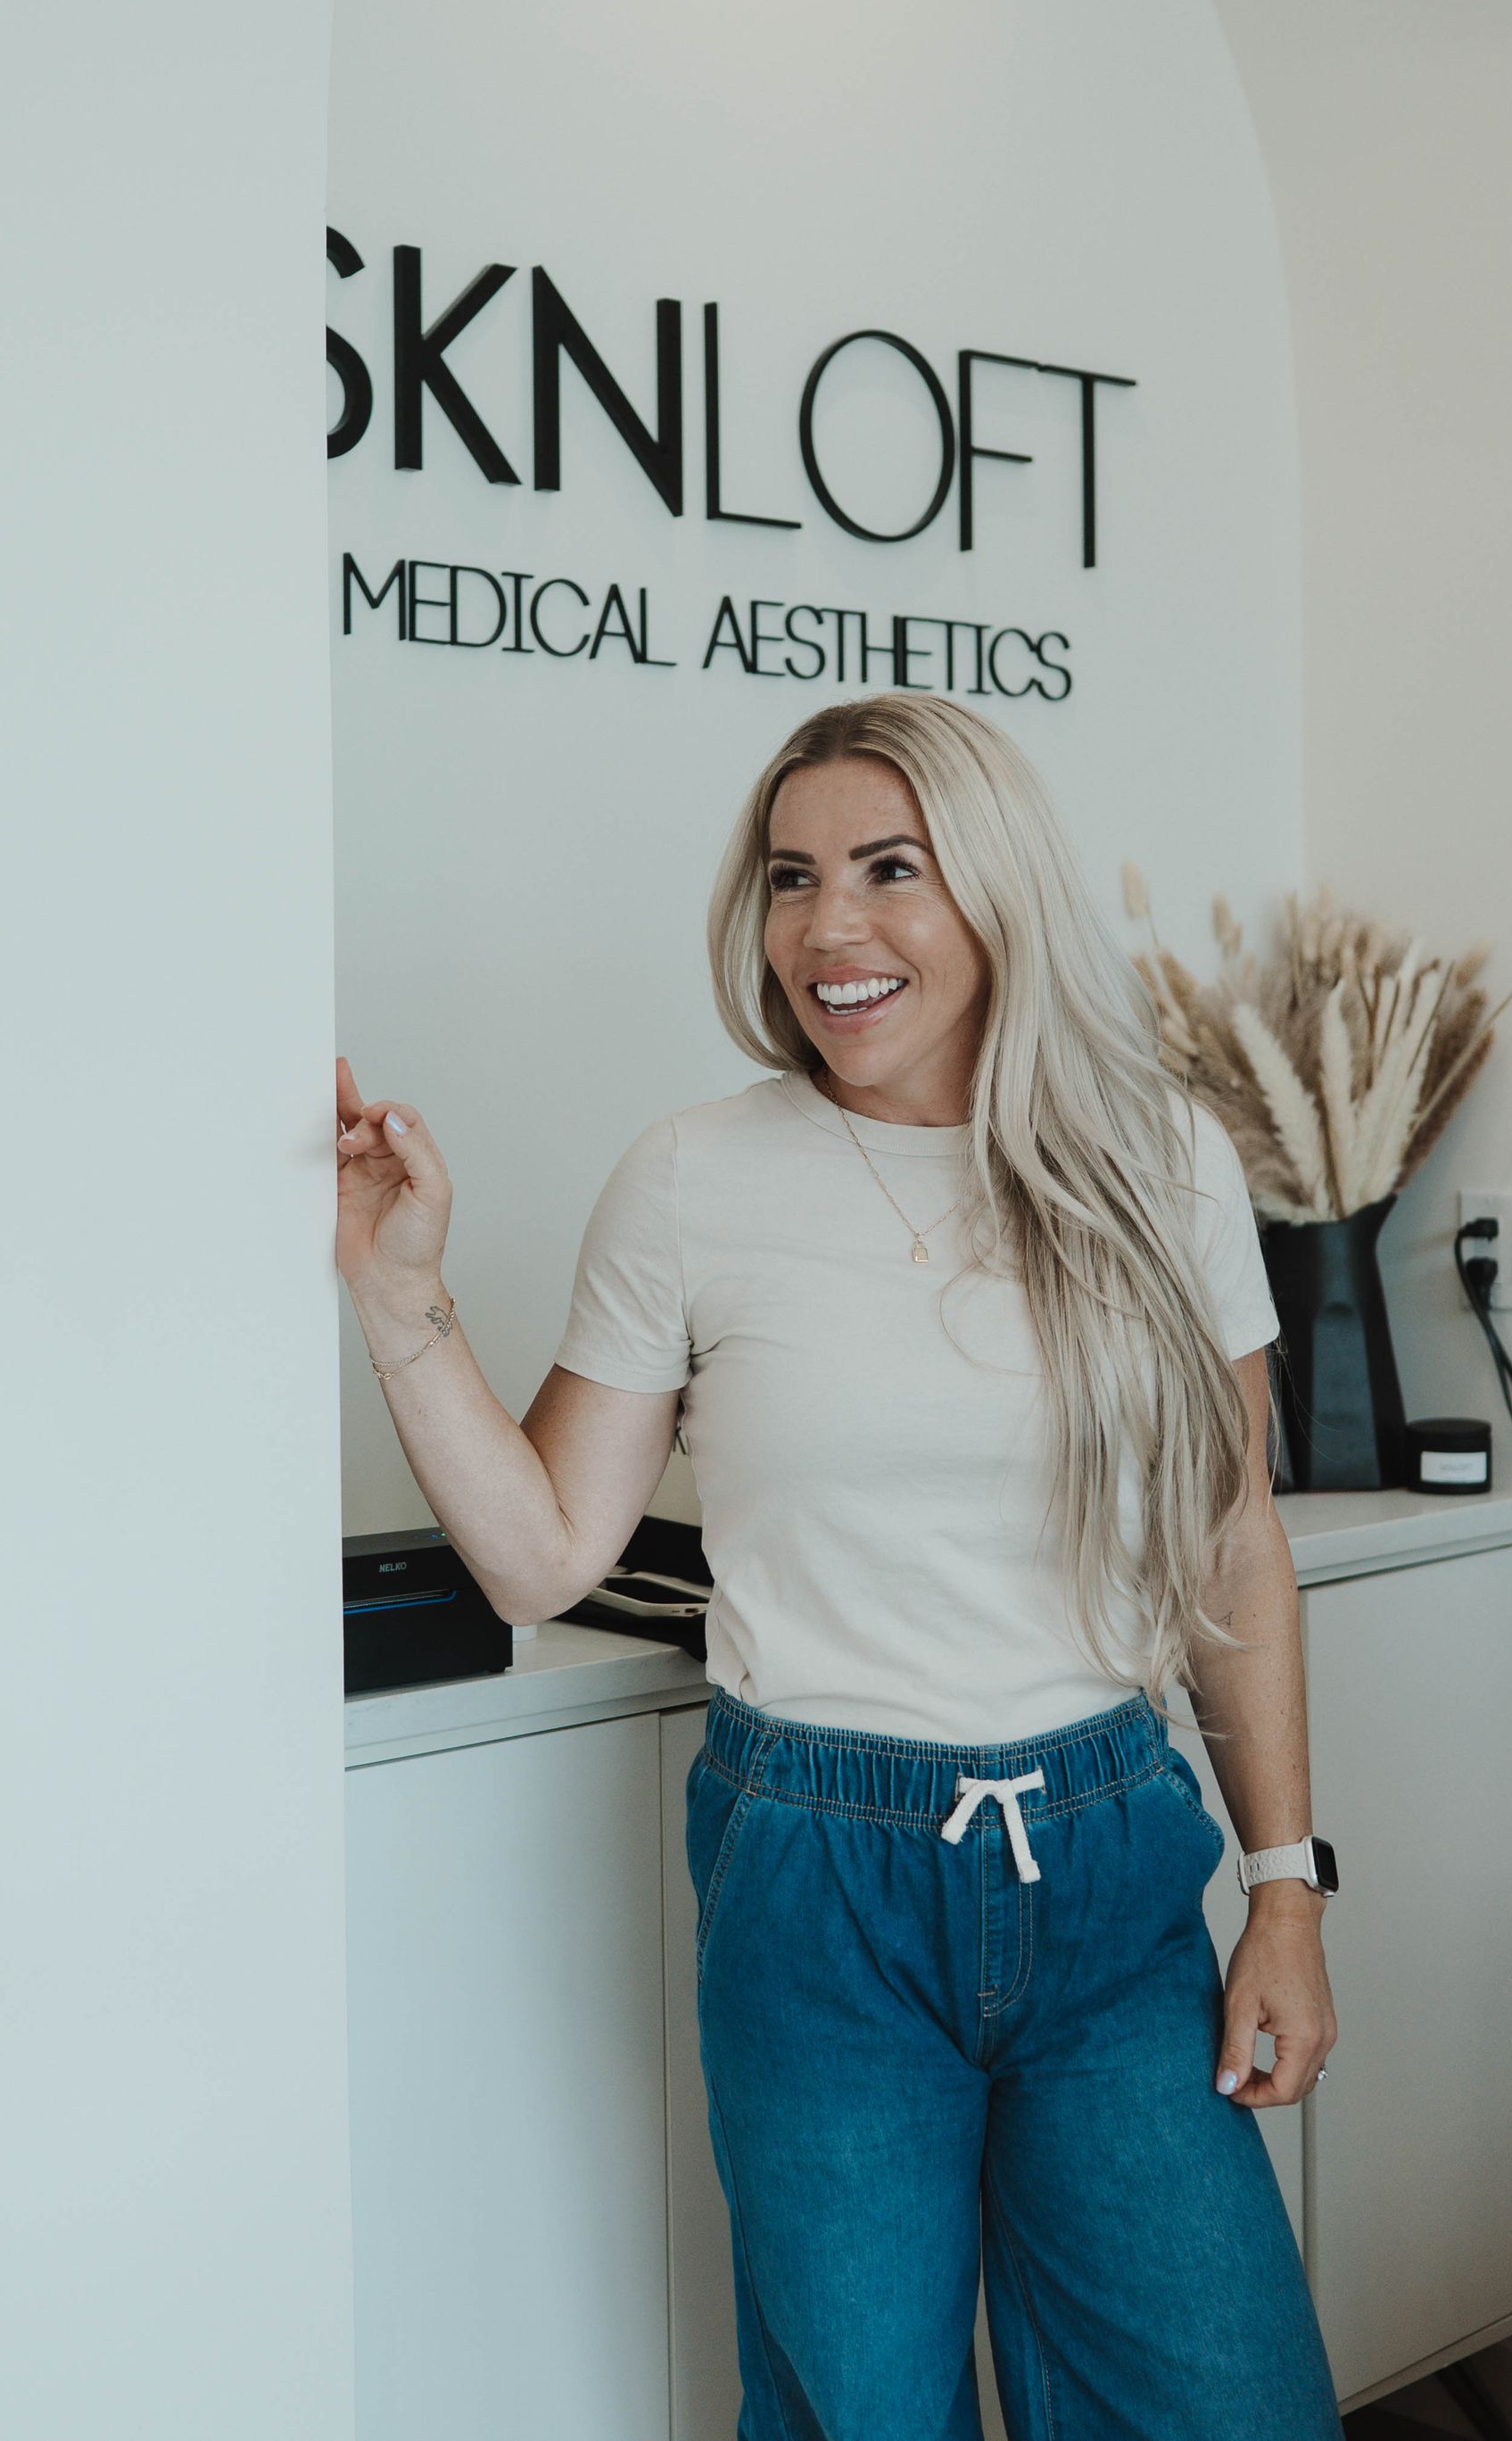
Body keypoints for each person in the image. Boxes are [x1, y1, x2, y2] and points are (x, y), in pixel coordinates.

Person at [335, 692, 1343, 2441]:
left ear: (997, 890)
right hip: (822, 1878)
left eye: (890, 868)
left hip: (1110, 1862)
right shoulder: (692, 1180)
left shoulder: (1159, 1160)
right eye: (792, 877)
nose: (828, 927)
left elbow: (1230, 1535)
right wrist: (401, 1292)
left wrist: (1284, 1883)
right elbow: (539, 1558)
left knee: (1223, 2400)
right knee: (857, 2412)